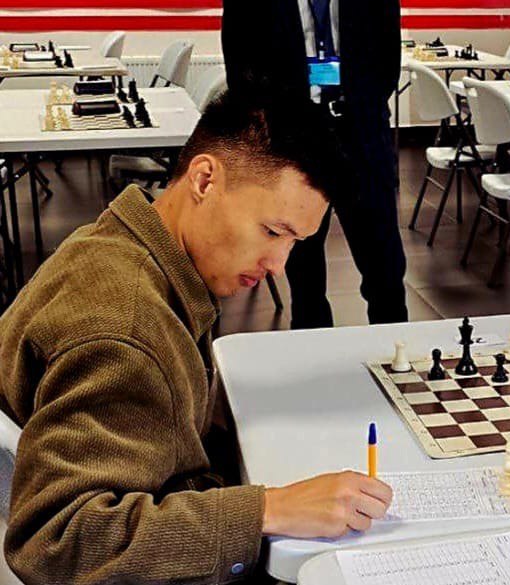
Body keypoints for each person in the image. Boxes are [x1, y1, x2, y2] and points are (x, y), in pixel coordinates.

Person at [0, 93, 393, 585]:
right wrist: (270, 509)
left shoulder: (128, 248)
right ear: (204, 179)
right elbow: (56, 543)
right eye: (273, 231)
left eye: (295, 242)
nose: (279, 264)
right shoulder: (125, 330)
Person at [221, 0, 406, 328]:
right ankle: (315, 367)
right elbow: (244, 76)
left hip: (362, 142)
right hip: (294, 146)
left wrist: (354, 111)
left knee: (386, 276)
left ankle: (400, 367)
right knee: (306, 282)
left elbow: (386, 64)